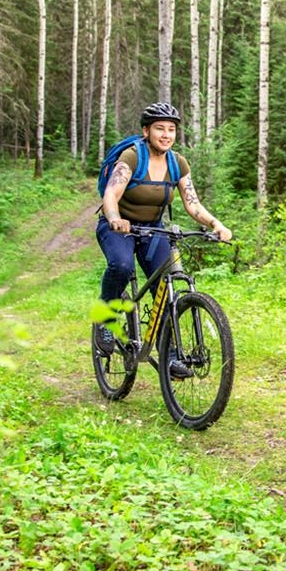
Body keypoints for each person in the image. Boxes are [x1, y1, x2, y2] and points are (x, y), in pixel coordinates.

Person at [93, 102, 233, 379]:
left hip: (154, 229)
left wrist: (215, 223)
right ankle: (105, 319)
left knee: (165, 287)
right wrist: (114, 219)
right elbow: (110, 196)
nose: (166, 134)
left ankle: (169, 356)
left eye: (171, 130)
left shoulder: (177, 163)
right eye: (160, 129)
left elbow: (192, 204)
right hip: (118, 226)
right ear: (147, 131)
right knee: (121, 266)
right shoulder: (132, 157)